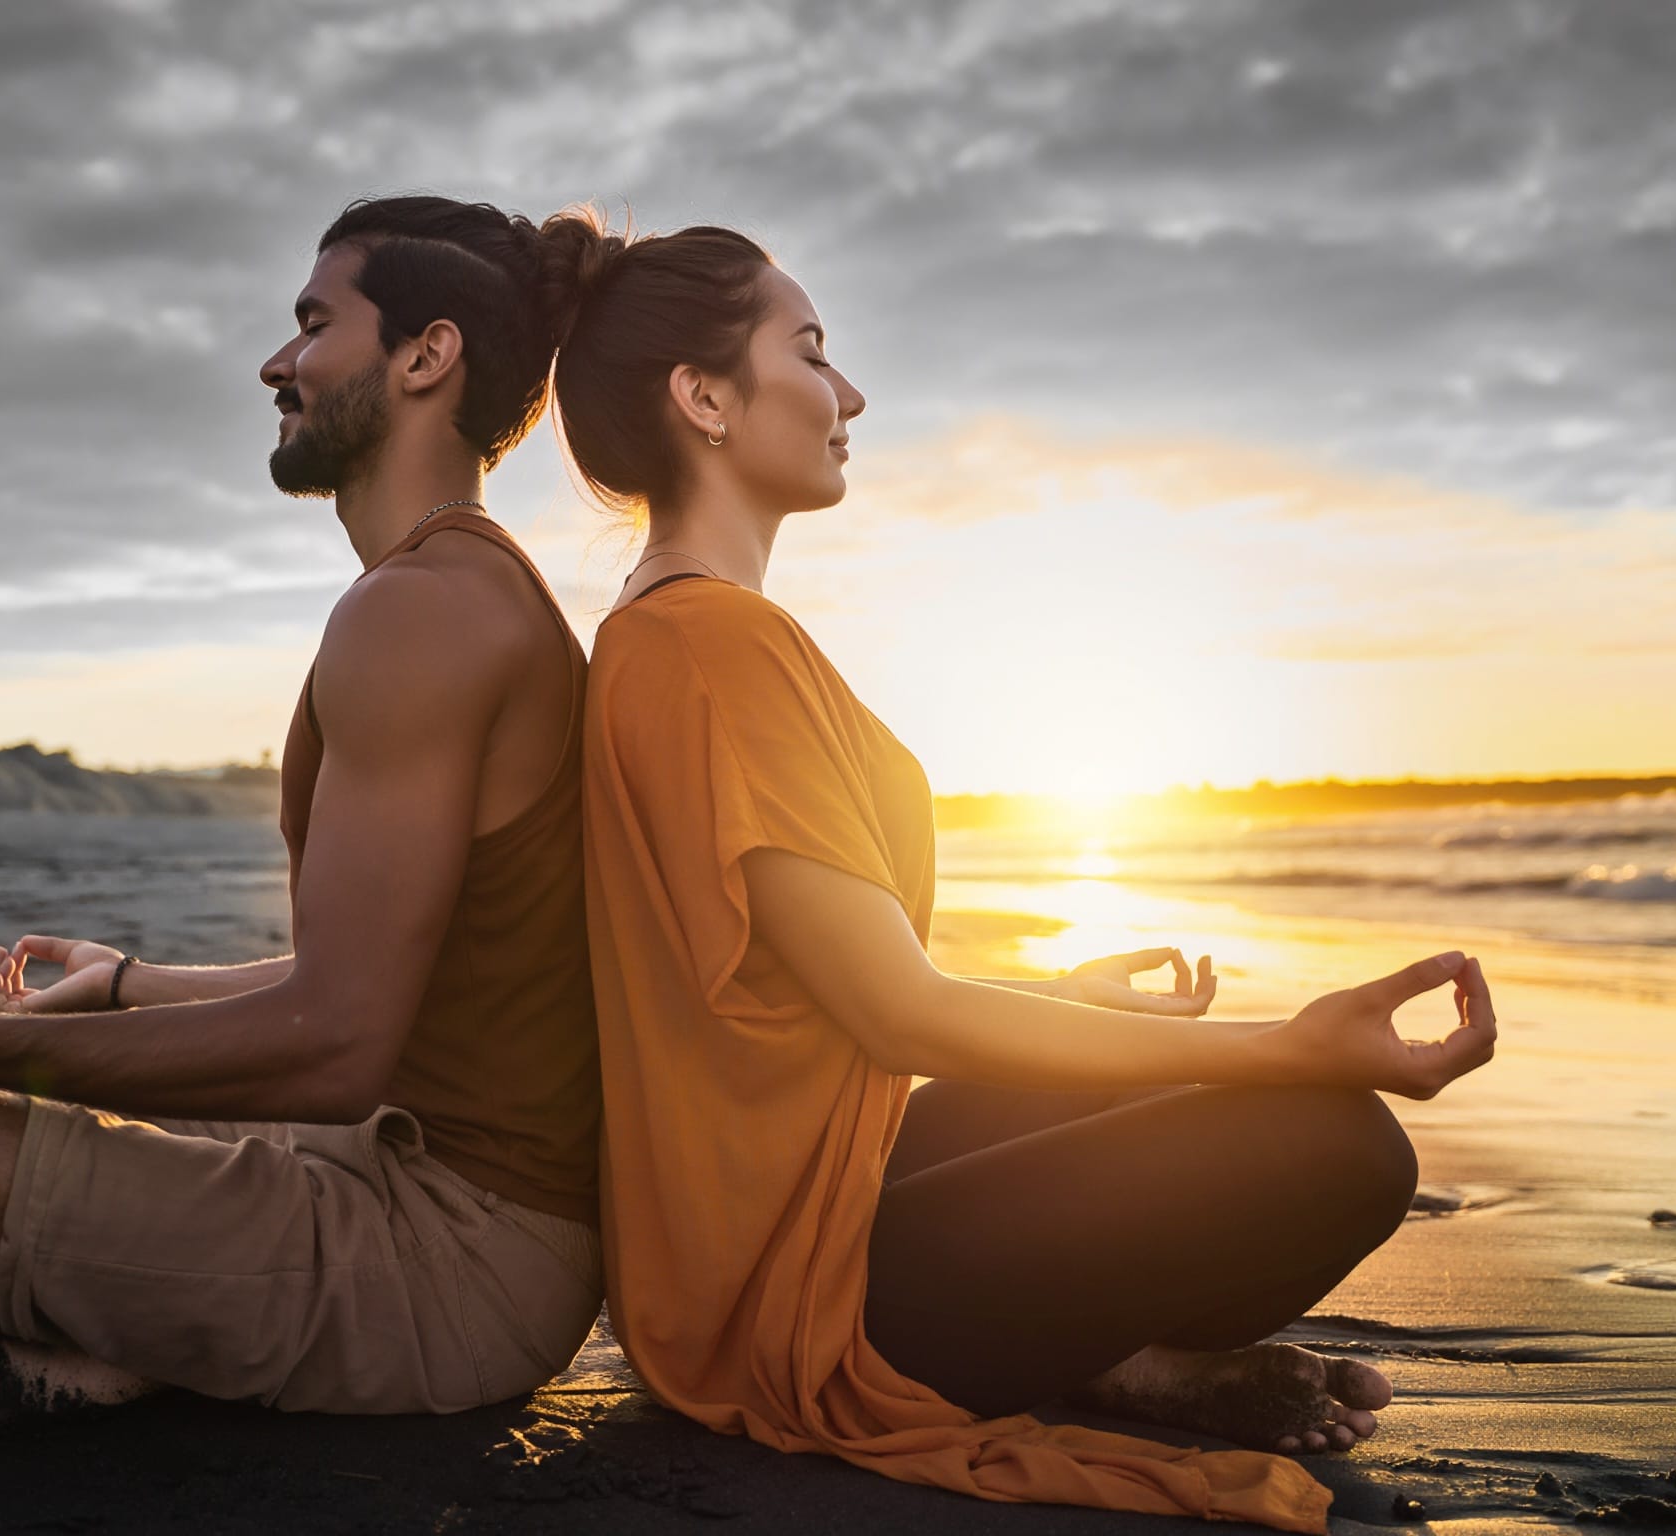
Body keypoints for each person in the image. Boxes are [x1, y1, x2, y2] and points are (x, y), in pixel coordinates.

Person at [542, 209, 1498, 1534]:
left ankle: (1115, 1357)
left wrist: (1064, 992)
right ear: (702, 396)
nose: (850, 391)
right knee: (1335, 1147)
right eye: (811, 350)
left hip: (781, 1218)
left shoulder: (669, 631)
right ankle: (1104, 1363)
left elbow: (803, 982)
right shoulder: (713, 649)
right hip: (787, 1295)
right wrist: (1292, 1047)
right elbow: (896, 1016)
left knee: (1116, 1096)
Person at [0, 195, 610, 1430]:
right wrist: (127, 984)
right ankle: (110, 1333)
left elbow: (339, 1044)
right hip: (417, 1167)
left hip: (455, 1263)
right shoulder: (458, 589)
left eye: (311, 325)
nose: (275, 365)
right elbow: (401, 978)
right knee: (55, 1079)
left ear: (423, 356)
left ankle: (62, 1362)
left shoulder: (425, 614)